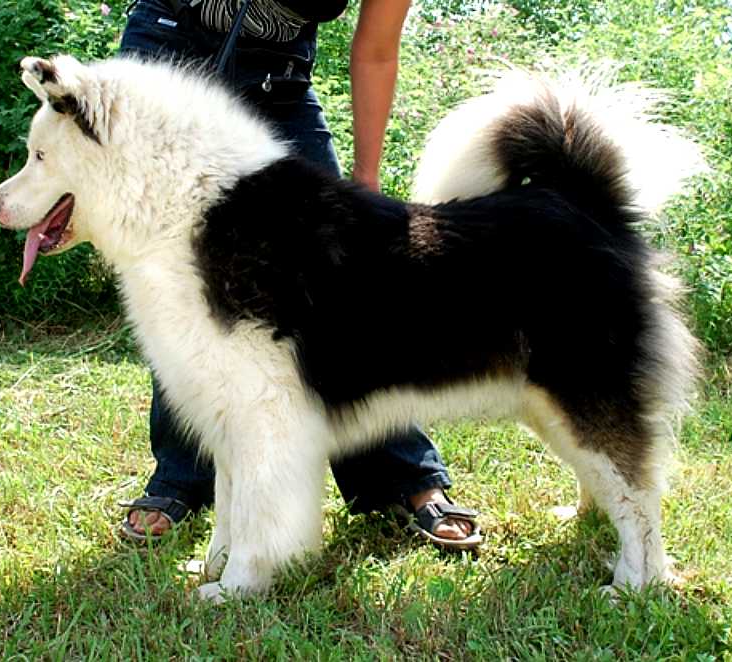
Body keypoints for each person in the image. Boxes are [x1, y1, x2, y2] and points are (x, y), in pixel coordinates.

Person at [115, 0, 482, 550]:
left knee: (348, 284)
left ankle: (402, 474)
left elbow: (377, 50)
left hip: (278, 76)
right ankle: (182, 477)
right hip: (170, 54)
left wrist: (366, 173)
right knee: (182, 281)